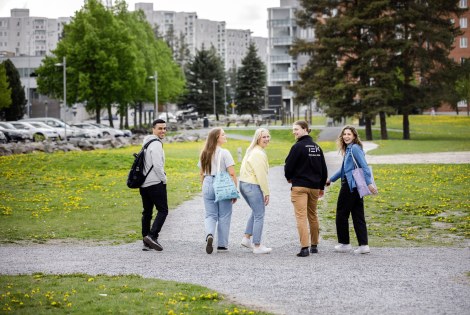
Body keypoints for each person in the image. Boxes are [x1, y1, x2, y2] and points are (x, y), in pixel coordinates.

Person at [326, 125, 378, 254]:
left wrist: (369, 183)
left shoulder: (354, 148)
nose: (346, 136)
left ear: (354, 136)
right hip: (355, 187)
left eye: (349, 134)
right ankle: (363, 245)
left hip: (350, 186)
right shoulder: (350, 149)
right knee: (357, 215)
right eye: (344, 134)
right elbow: (343, 169)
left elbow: (364, 166)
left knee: (341, 214)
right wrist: (331, 179)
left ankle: (345, 244)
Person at [284, 121, 328, 257]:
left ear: (305, 129)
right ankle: (314, 245)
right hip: (314, 187)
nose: (294, 132)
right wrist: (321, 187)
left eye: (296, 129)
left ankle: (304, 248)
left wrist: (289, 177)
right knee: (313, 215)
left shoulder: (297, 147)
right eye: (293, 129)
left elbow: (288, 166)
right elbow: (323, 169)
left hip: (300, 187)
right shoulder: (317, 148)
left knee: (301, 217)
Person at [199, 128, 238, 254]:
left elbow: (201, 173)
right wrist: (234, 191)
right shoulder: (225, 153)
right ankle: (222, 245)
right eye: (223, 134)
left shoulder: (204, 152)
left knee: (210, 215)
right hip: (222, 184)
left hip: (207, 182)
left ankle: (209, 234)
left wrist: (204, 186)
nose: (225, 136)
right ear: (217, 137)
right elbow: (232, 174)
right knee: (224, 215)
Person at [239, 128, 272, 254]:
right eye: (264, 137)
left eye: (268, 137)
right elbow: (261, 175)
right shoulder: (258, 153)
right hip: (251, 185)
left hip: (244, 184)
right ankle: (257, 245)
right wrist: (266, 192)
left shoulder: (253, 150)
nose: (267, 139)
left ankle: (246, 238)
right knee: (259, 214)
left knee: (256, 211)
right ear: (258, 138)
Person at [141, 119, 168, 252]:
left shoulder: (146, 142)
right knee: (163, 210)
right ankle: (152, 236)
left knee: (147, 212)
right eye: (160, 128)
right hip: (155, 182)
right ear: (153, 129)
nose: (163, 131)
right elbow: (158, 165)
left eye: (164, 128)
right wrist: (164, 179)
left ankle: (146, 241)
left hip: (144, 183)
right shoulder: (156, 144)